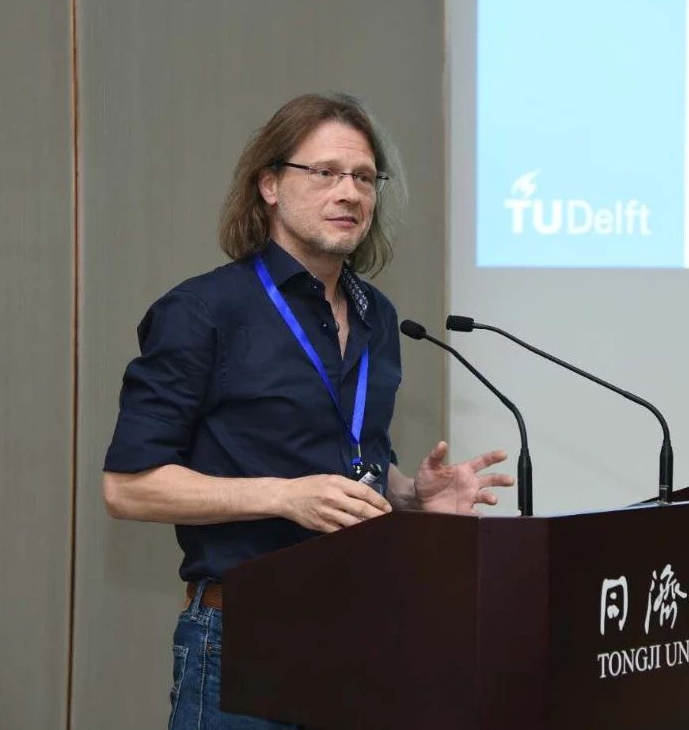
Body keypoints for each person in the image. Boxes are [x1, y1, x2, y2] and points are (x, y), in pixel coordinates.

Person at [101, 92, 513, 729]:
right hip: (244, 636)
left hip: (365, 633)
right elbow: (128, 488)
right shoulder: (203, 312)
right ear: (269, 185)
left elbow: (342, 457)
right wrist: (284, 496)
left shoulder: (378, 317)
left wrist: (409, 497)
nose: (349, 192)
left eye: (365, 177)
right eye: (325, 172)